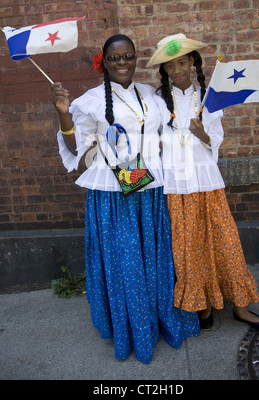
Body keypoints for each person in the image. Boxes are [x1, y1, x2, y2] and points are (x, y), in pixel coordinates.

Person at [51, 34, 199, 364]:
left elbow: (170, 133)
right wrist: (64, 115)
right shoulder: (89, 101)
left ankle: (158, 321)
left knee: (155, 261)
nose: (123, 63)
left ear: (135, 59)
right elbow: (78, 150)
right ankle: (131, 331)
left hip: (151, 192)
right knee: (126, 266)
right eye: (115, 58)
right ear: (103, 62)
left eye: (128, 56)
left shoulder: (150, 94)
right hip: (114, 198)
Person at [147, 33, 259, 333]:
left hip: (208, 184)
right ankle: (203, 307)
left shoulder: (208, 97)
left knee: (226, 242)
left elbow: (215, 142)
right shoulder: (155, 102)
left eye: (182, 61)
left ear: (192, 61)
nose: (177, 69)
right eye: (170, 65)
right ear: (164, 69)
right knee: (189, 250)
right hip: (177, 189)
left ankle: (241, 309)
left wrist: (202, 134)